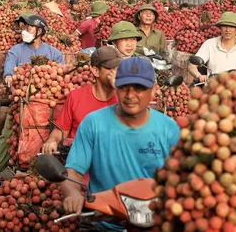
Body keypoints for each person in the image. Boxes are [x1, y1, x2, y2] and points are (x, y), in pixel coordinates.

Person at [61, 57, 180, 231]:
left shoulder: (169, 129)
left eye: (139, 88)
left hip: (153, 223)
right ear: (116, 87)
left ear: (154, 91)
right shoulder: (93, 123)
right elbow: (72, 171)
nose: (130, 95)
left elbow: (182, 179)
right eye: (124, 87)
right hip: (103, 223)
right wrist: (72, 194)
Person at [0, 15, 65, 191]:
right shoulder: (16, 50)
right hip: (21, 104)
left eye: (29, 28)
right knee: (6, 135)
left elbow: (61, 78)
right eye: (23, 28)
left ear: (40, 31)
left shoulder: (54, 53)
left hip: (46, 107)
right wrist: (9, 76)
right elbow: (9, 68)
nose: (24, 31)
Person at [41, 46, 122, 155]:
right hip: (80, 160)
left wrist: (120, 89)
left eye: (119, 68)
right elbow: (61, 131)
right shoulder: (76, 97)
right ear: (95, 71)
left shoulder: (125, 99)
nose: (116, 73)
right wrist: (52, 141)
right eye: (111, 68)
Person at [188, 12, 236, 82]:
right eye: (225, 26)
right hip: (214, 86)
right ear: (220, 28)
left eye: (231, 27)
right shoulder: (209, 44)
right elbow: (192, 66)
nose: (228, 30)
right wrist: (199, 75)